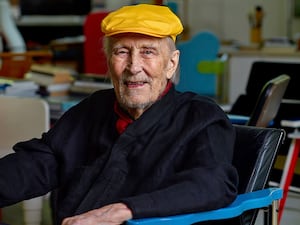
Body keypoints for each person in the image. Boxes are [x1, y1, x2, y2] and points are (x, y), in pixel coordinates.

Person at [0, 4, 238, 225]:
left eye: (148, 52)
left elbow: (213, 183)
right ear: (108, 61)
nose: (134, 67)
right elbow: (41, 161)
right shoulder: (92, 109)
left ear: (171, 64)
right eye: (122, 52)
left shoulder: (200, 117)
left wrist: (126, 209)